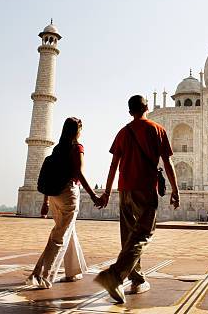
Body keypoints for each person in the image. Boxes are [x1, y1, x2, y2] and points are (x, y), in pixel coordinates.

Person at [94, 95, 179, 304]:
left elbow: (113, 164)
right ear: (147, 107)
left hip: (124, 189)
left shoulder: (123, 132)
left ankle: (137, 277)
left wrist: (107, 191)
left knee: (129, 236)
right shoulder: (157, 129)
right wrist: (175, 189)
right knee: (143, 233)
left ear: (129, 111)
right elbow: (167, 163)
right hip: (144, 188)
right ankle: (115, 275)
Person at [26, 117, 99, 289]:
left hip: (53, 196)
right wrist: (94, 195)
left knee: (67, 232)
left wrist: (45, 202)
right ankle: (43, 275)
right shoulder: (77, 147)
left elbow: (50, 175)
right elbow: (79, 174)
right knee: (59, 236)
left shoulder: (58, 148)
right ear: (77, 131)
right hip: (68, 195)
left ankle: (73, 271)